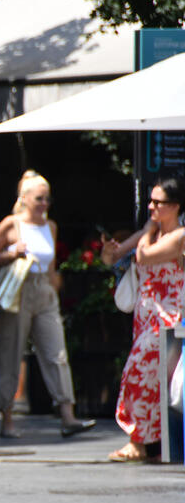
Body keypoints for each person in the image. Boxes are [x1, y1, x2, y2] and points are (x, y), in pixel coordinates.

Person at [0, 170, 96, 439]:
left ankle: (68, 416)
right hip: (18, 291)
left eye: (48, 199)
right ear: (24, 199)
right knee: (10, 354)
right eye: (39, 199)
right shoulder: (11, 224)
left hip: (44, 290)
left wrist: (54, 289)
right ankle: (7, 419)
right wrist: (12, 252)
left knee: (57, 353)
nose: (45, 204)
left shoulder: (51, 226)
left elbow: (53, 265)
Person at [101, 177, 185, 462]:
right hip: (146, 315)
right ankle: (152, 443)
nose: (151, 206)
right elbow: (113, 258)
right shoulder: (150, 233)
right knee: (154, 379)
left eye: (158, 202)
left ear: (174, 206)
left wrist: (146, 232)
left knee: (137, 373)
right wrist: (109, 249)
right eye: (150, 200)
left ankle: (137, 441)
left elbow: (145, 256)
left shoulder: (179, 236)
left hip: (170, 317)